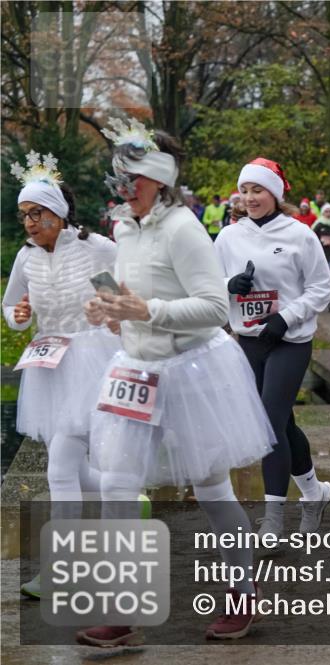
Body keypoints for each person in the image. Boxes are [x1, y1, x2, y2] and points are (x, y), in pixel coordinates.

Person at [79, 118, 274, 645]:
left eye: (132, 182)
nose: (123, 191)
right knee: (118, 488)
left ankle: (241, 591)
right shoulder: (125, 226)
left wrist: (148, 308)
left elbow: (214, 308)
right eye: (119, 182)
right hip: (134, 369)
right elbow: (128, 290)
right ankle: (121, 608)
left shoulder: (184, 228)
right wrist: (111, 308)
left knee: (211, 488)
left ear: (158, 179)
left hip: (192, 372)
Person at [4, 152, 121, 598]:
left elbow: (119, 304)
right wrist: (17, 315)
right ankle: (134, 498)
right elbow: (12, 306)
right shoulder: (26, 257)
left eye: (38, 213)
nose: (31, 223)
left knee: (60, 466)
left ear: (60, 211)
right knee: (71, 464)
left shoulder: (96, 248)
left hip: (93, 359)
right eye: (24, 216)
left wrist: (108, 312)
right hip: (48, 364)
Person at [216, 157, 330, 549]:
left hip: (289, 340)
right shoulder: (229, 237)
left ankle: (272, 521)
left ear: (275, 194)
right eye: (245, 190)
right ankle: (314, 493)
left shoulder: (300, 235)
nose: (250, 198)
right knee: (281, 424)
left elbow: (321, 289)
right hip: (249, 340)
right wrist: (229, 284)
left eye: (258, 190)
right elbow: (207, 286)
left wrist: (285, 318)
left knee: (268, 423)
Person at [314, 203, 330, 312]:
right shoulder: (319, 224)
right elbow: (311, 238)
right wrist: (321, 241)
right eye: (326, 211)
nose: (328, 213)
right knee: (320, 280)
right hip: (320, 256)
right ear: (323, 212)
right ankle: (319, 301)